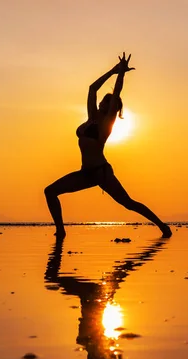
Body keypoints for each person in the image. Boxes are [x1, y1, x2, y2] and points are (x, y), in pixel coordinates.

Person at [44, 53, 172, 238]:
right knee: (50, 191)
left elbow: (117, 92)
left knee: (128, 203)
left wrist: (121, 74)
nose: (104, 102)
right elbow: (92, 89)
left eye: (109, 102)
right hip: (85, 173)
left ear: (113, 108)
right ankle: (61, 231)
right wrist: (112, 71)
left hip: (101, 172)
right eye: (104, 100)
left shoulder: (106, 123)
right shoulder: (90, 119)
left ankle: (162, 226)